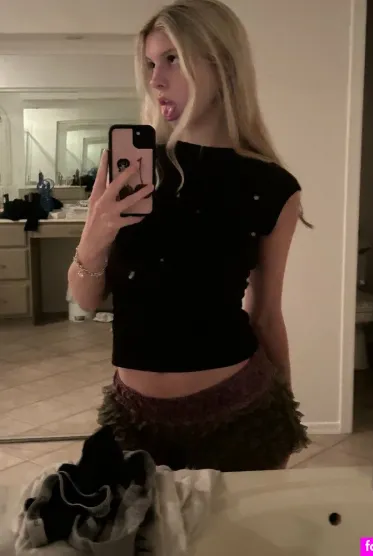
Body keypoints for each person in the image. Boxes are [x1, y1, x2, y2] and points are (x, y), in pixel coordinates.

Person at [68, 0, 310, 472]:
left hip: (236, 414)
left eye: (172, 59)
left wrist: (284, 410)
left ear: (221, 62)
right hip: (132, 417)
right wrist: (93, 237)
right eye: (150, 64)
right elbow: (85, 300)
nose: (155, 79)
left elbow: (265, 314)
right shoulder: (132, 172)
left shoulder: (272, 187)